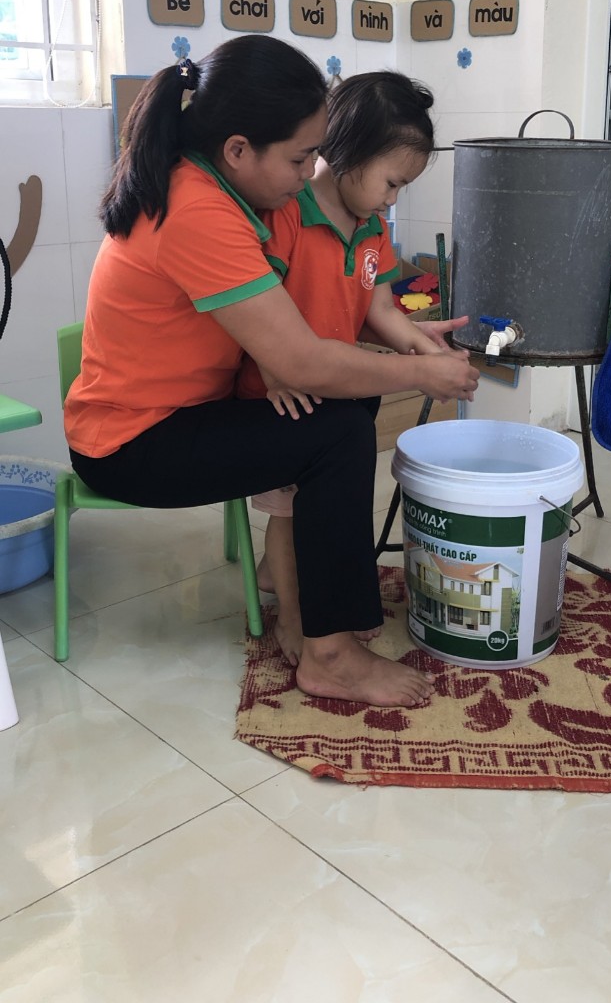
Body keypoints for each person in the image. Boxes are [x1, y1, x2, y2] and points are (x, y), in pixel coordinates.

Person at [64, 35, 479, 709]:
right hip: (132, 443)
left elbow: (327, 317)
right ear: (237, 150)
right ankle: (330, 655)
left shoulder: (213, 189)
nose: (309, 172)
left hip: (177, 416)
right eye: (299, 158)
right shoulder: (198, 209)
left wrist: (401, 345)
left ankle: (309, 597)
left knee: (341, 416)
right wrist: (421, 376)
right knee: (336, 432)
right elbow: (300, 359)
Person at [236, 70, 464, 668]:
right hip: (283, 398)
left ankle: (302, 587)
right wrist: (274, 370)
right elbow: (248, 308)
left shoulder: (371, 228)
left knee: (328, 503)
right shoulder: (287, 214)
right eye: (392, 182)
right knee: (288, 515)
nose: (393, 199)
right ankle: (294, 618)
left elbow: (380, 310)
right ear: (349, 153)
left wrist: (427, 352)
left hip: (340, 390)